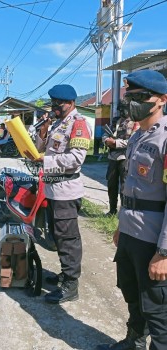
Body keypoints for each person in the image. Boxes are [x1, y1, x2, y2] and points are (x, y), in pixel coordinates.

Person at [96, 70, 167, 350]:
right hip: (130, 233)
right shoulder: (137, 137)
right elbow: (132, 191)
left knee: (158, 309)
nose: (133, 102)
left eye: (140, 97)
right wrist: (120, 227)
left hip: (153, 239)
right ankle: (133, 341)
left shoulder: (164, 139)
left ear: (162, 100)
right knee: (131, 294)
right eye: (130, 97)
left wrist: (163, 252)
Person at [30, 84, 92, 304]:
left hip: (66, 190)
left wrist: (44, 161)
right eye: (53, 103)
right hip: (53, 189)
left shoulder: (78, 124)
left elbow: (76, 159)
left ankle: (71, 285)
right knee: (56, 236)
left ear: (71, 103)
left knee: (68, 239)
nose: (55, 106)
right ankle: (65, 274)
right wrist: (43, 132)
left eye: (59, 103)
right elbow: (42, 148)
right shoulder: (57, 123)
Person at [102, 100, 140, 216]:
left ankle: (123, 212)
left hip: (125, 157)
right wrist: (106, 140)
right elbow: (105, 134)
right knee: (111, 184)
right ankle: (112, 210)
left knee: (124, 186)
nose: (122, 111)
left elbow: (133, 141)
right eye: (121, 109)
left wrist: (116, 143)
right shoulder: (116, 121)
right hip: (113, 157)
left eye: (124, 108)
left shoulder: (136, 123)